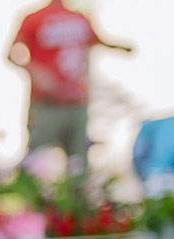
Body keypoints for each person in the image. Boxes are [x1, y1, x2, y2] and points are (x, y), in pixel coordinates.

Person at [8, 0, 131, 159]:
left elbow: (98, 40)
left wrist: (122, 47)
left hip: (77, 102)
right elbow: (12, 54)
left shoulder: (81, 18)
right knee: (35, 160)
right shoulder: (33, 18)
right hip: (46, 104)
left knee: (78, 162)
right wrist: (37, 73)